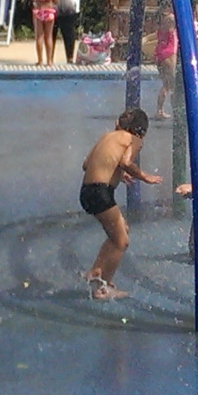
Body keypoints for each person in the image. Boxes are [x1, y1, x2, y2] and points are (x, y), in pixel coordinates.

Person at [80, 108, 162, 299]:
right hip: (101, 193)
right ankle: (104, 288)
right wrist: (144, 176)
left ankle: (96, 271)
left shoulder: (107, 136)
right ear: (141, 130)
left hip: (87, 192)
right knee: (121, 241)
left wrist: (117, 172)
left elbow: (86, 165)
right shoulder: (134, 139)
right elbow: (126, 162)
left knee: (121, 229)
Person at [154, 0, 178, 120]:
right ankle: (176, 110)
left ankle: (159, 110)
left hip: (160, 51)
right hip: (169, 52)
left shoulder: (160, 16)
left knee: (166, 83)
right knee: (172, 84)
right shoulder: (170, 18)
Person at [30, 0, 57, 66]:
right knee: (49, 36)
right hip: (49, 11)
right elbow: (55, 0)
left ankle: (40, 60)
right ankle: (50, 61)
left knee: (39, 36)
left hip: (38, 11)